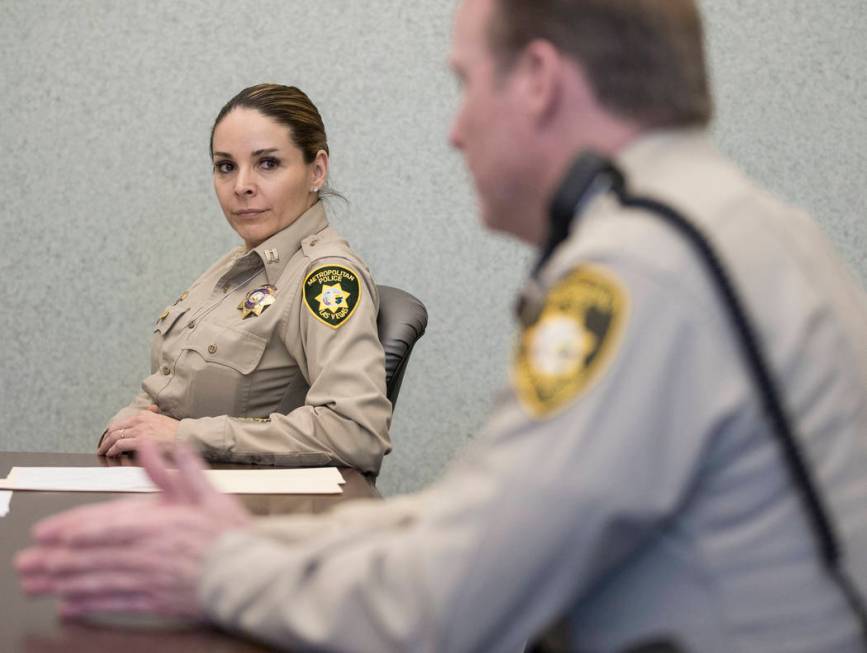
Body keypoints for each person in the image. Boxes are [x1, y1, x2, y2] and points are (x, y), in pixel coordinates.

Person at [16, 1, 867, 651]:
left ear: (537, 80)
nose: (456, 132)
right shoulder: (737, 228)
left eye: (466, 85)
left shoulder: (638, 274)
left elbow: (456, 593)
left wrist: (215, 567)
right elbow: (485, 515)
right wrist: (256, 537)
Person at [96, 83, 392, 476]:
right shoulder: (237, 263)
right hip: (176, 496)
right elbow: (167, 389)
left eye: (268, 163)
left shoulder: (326, 277)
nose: (241, 186)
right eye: (226, 166)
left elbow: (356, 432)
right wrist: (127, 428)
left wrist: (186, 436)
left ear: (316, 170)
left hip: (259, 518)